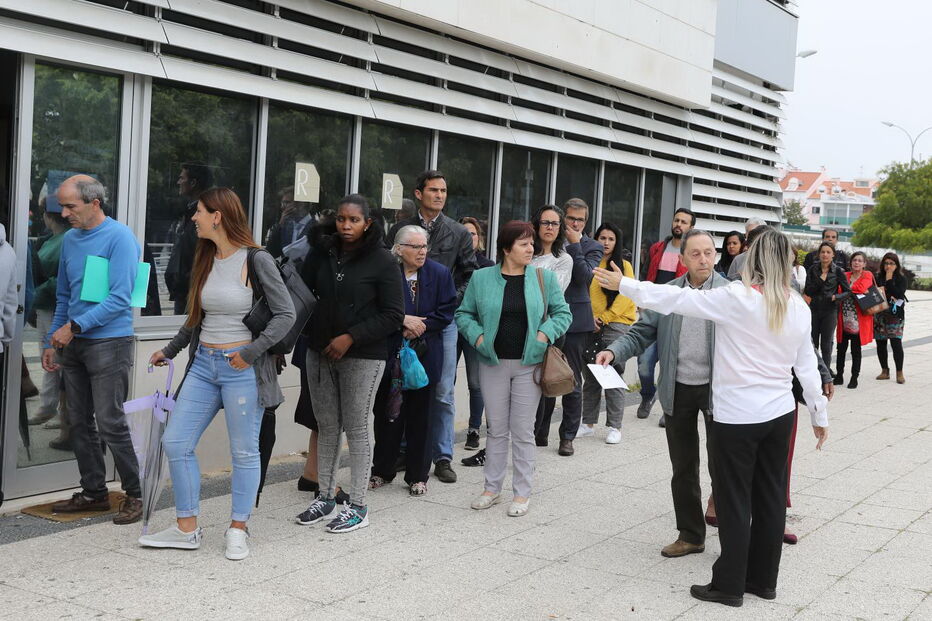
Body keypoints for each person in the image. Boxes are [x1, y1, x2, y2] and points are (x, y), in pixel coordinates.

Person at [595, 228, 828, 607]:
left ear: (752, 259)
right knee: (769, 499)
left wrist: (626, 284)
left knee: (734, 499)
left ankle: (729, 585)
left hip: (737, 417)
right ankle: (763, 581)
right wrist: (820, 413)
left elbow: (675, 298)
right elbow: (807, 369)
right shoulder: (798, 305)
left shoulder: (738, 298)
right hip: (780, 414)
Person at [139, 187, 295, 559]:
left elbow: (285, 314)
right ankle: (186, 527)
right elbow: (197, 317)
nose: (193, 218)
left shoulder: (257, 260)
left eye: (199, 212)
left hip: (242, 368)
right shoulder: (206, 256)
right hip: (204, 365)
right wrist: (170, 350)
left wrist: (251, 351)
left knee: (244, 451)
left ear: (218, 216)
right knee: (176, 442)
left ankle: (238, 528)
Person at [596, 229, 728, 558]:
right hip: (677, 388)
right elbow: (641, 332)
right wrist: (614, 352)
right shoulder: (668, 294)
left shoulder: (729, 293)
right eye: (695, 254)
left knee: (724, 466)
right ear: (682, 259)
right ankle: (691, 534)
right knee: (683, 467)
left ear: (716, 255)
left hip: (721, 393)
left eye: (708, 252)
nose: (703, 259)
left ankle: (732, 536)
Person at [296, 194, 403, 532]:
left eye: (353, 220)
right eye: (341, 219)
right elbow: (303, 295)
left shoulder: (383, 261)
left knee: (356, 428)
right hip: (319, 351)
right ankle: (325, 497)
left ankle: (358, 505)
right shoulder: (321, 252)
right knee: (327, 426)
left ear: (368, 223)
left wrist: (350, 337)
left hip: (362, 355)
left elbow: (393, 315)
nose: (345, 226)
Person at [41, 175, 142, 525]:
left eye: (71, 206)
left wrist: (74, 327)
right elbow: (65, 296)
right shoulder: (70, 240)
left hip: (109, 343)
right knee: (78, 422)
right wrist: (53, 337)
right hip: (74, 342)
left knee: (110, 422)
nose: (65, 213)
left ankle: (136, 493)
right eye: (62, 206)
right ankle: (94, 492)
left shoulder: (120, 238)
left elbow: (119, 298)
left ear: (94, 203)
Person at [456, 221, 571, 517]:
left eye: (531, 243)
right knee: (495, 429)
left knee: (522, 430)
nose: (531, 248)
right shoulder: (482, 278)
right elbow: (463, 313)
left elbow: (563, 313)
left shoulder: (543, 278)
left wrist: (544, 334)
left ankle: (522, 492)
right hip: (493, 363)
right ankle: (491, 489)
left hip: (528, 365)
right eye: (524, 244)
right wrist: (479, 337)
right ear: (507, 248)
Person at [388, 170, 477, 484]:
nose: (439, 195)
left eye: (443, 190)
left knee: (441, 392)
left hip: (442, 321)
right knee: (402, 386)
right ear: (418, 193)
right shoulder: (399, 229)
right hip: (403, 321)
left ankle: (441, 456)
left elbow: (469, 275)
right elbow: (388, 270)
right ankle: (404, 453)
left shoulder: (457, 232)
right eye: (433, 190)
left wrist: (449, 303)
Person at [370, 226, 456, 495]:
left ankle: (419, 475)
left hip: (425, 352)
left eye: (424, 247)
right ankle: (382, 470)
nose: (422, 252)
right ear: (399, 249)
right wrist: (401, 321)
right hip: (390, 351)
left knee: (422, 415)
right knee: (387, 414)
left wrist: (421, 325)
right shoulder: (386, 272)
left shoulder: (439, 273)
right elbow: (374, 307)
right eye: (416, 247)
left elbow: (447, 311)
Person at [532, 199, 602, 456]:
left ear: (585, 222)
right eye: (570, 218)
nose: (573, 223)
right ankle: (540, 433)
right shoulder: (542, 244)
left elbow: (585, 277)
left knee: (569, 377)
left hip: (574, 320)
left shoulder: (591, 246)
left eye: (579, 220)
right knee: (544, 377)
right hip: (542, 321)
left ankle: (568, 436)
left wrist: (574, 245)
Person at [579, 222, 635, 445]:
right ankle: (588, 423)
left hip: (616, 323)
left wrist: (604, 318)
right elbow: (582, 293)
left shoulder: (625, 265)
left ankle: (614, 426)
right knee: (590, 375)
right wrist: (588, 318)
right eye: (602, 237)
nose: (606, 242)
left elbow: (625, 296)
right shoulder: (589, 263)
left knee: (611, 375)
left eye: (611, 239)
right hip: (589, 324)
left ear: (617, 241)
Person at [637, 208, 694, 421]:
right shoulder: (658, 248)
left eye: (684, 222)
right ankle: (647, 395)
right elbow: (646, 275)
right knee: (644, 363)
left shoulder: (690, 254)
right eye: (677, 220)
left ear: (691, 227)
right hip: (653, 311)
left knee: (671, 366)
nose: (679, 224)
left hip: (677, 314)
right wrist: (642, 302)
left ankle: (667, 408)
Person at [28, 206, 69, 433]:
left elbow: (57, 279)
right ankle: (48, 407)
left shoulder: (62, 241)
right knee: (50, 359)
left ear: (47, 216)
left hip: (54, 306)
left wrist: (38, 289)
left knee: (57, 360)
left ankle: (58, 410)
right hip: (46, 305)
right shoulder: (50, 239)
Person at [458, 216, 494, 453]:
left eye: (472, 233)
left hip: (475, 329)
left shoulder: (488, 265)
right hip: (451, 324)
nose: (468, 237)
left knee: (475, 382)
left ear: (479, 238)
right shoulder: (452, 262)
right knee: (444, 382)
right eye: (463, 232)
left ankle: (473, 429)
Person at [165, 162, 213, 314]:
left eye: (182, 178)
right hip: (184, 290)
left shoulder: (206, 215)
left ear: (193, 182)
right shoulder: (188, 211)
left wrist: (189, 282)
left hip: (193, 291)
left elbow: (201, 254)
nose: (178, 182)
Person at [803, 242, 851, 370]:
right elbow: (808, 291)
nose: (825, 254)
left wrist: (836, 297)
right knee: (812, 343)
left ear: (833, 255)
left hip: (830, 310)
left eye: (828, 252)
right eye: (823, 252)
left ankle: (826, 374)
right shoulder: (813, 269)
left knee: (826, 344)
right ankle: (813, 372)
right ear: (819, 254)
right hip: (814, 309)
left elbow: (848, 292)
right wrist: (820, 280)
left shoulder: (838, 271)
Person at [834, 251, 874, 389]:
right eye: (854, 260)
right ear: (850, 263)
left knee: (856, 350)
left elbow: (862, 287)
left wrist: (848, 289)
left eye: (859, 260)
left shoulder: (867, 275)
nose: (856, 262)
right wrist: (852, 290)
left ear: (864, 263)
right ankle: (839, 375)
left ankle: (854, 377)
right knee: (841, 349)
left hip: (858, 320)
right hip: (844, 317)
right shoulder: (845, 275)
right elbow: (839, 291)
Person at [874, 252, 907, 384]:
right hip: (880, 314)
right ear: (883, 264)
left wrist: (889, 280)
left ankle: (899, 372)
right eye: (886, 263)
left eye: (892, 263)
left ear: (896, 265)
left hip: (895, 315)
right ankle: (884, 370)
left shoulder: (901, 278)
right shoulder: (878, 277)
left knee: (896, 343)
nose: (889, 266)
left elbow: (899, 294)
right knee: (880, 343)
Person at [265, 186, 312, 259]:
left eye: (287, 203)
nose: (282, 207)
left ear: (301, 204)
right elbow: (270, 252)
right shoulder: (284, 226)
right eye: (282, 203)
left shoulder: (315, 226)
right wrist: (280, 225)